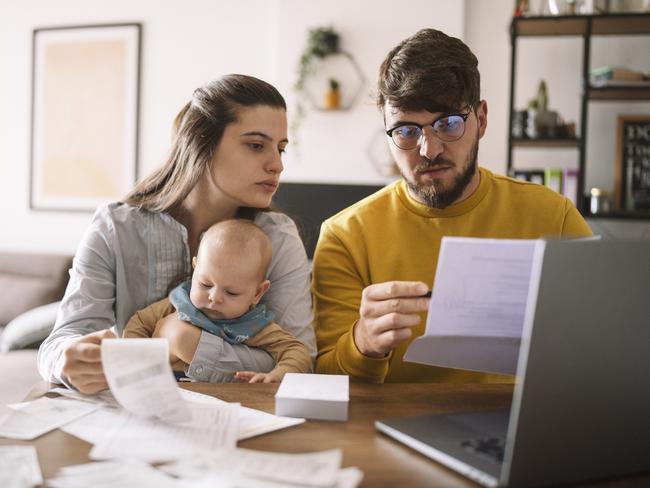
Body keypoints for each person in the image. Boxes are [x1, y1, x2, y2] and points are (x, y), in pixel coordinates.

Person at [312, 29, 592, 383]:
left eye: (448, 124)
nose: (429, 150)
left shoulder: (555, 217)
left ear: (482, 120)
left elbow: (602, 346)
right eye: (406, 131)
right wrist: (363, 343)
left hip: (519, 426)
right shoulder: (344, 237)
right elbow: (325, 383)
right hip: (389, 430)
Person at [38, 74, 316, 394]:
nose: (277, 165)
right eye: (256, 145)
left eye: (280, 148)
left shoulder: (278, 238)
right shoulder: (115, 228)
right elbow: (59, 342)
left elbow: (302, 359)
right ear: (201, 144)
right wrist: (68, 360)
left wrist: (187, 342)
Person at [123, 219, 311, 383]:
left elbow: (298, 352)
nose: (214, 297)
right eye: (205, 284)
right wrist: (133, 362)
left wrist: (277, 375)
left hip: (224, 397)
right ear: (195, 269)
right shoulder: (179, 303)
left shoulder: (254, 325)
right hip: (165, 390)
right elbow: (139, 323)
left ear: (257, 293)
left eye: (231, 292)